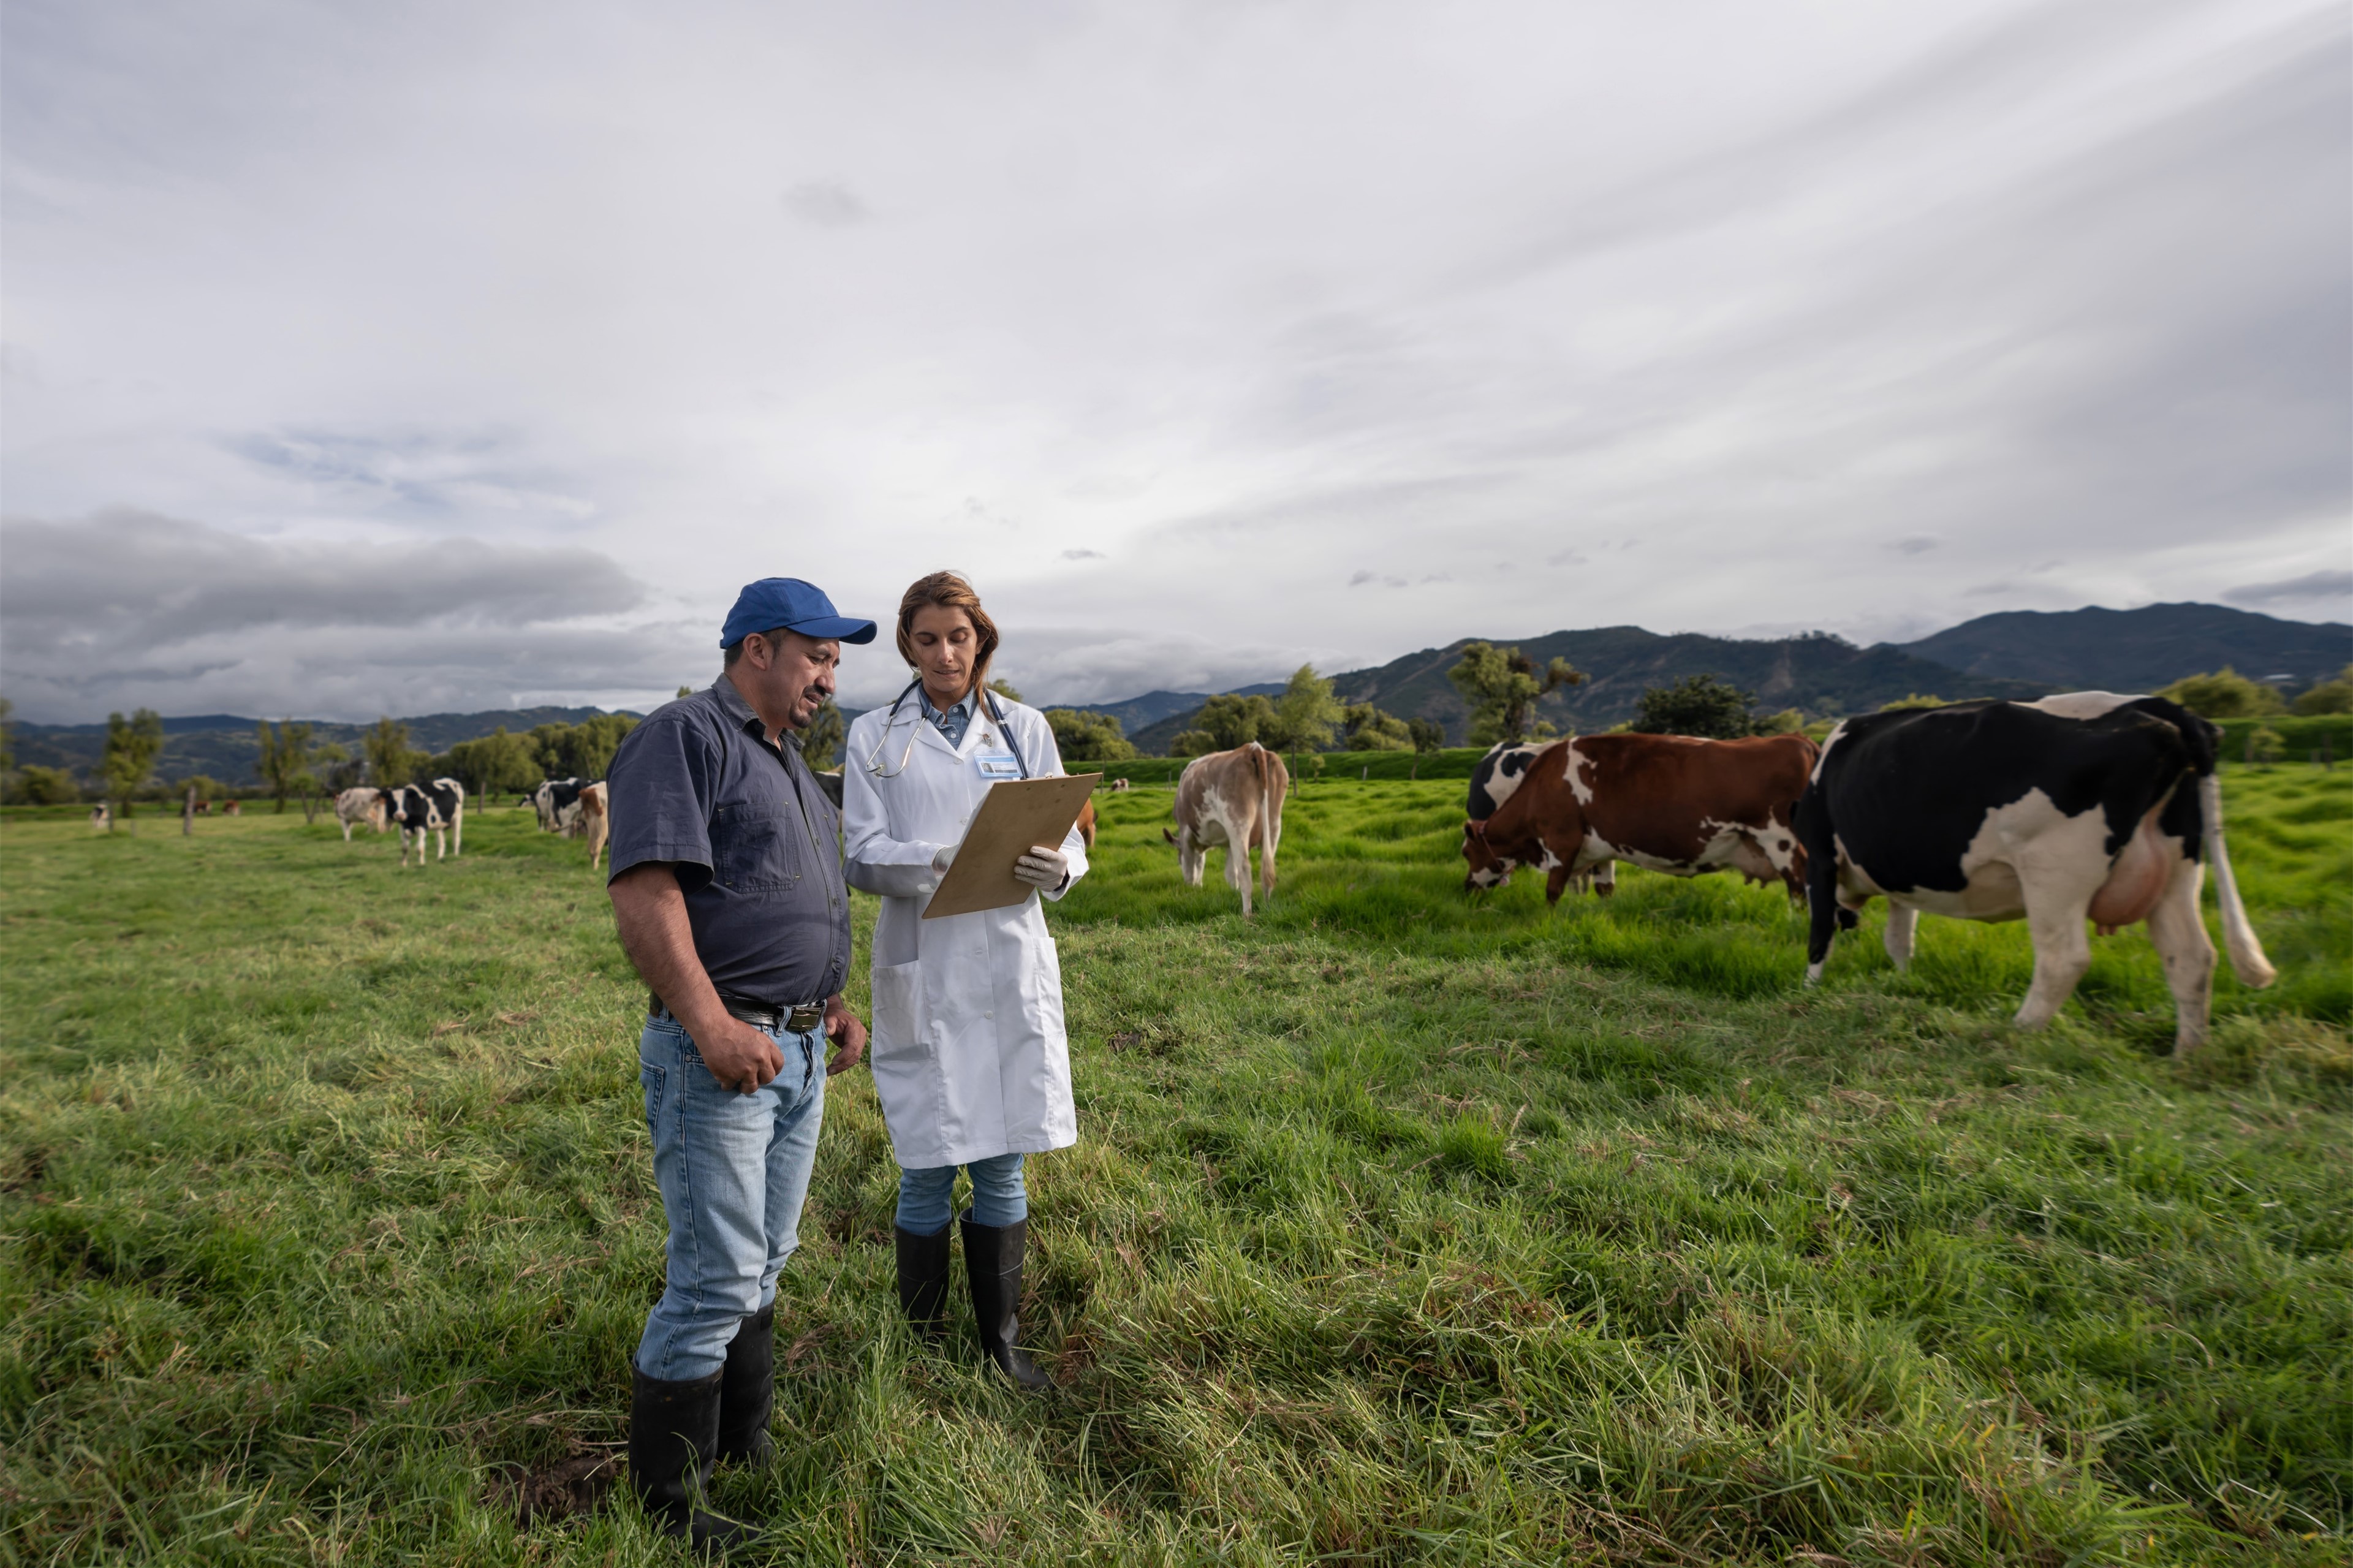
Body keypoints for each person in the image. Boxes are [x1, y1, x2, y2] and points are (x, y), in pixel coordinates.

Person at [603, 577, 874, 1549]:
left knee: (767, 1263)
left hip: (795, 1048)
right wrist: (713, 1025)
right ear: (757, 649)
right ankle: (668, 1512)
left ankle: (744, 1449)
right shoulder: (685, 737)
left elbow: (791, 899)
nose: (829, 678)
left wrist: (833, 1006)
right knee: (717, 1276)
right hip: (720, 1053)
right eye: (817, 656)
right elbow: (644, 891)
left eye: (838, 662)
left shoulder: (795, 765)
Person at [841, 571, 1089, 1388]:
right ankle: (919, 1348)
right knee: (926, 1157)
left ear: (981, 638)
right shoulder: (874, 737)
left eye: (959, 636)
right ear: (908, 645)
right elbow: (860, 854)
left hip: (1009, 955)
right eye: (926, 639)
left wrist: (1060, 869)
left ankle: (1004, 1346)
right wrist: (937, 861)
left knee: (1002, 1158)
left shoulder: (1024, 729)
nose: (945, 654)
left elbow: (1070, 837)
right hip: (926, 961)